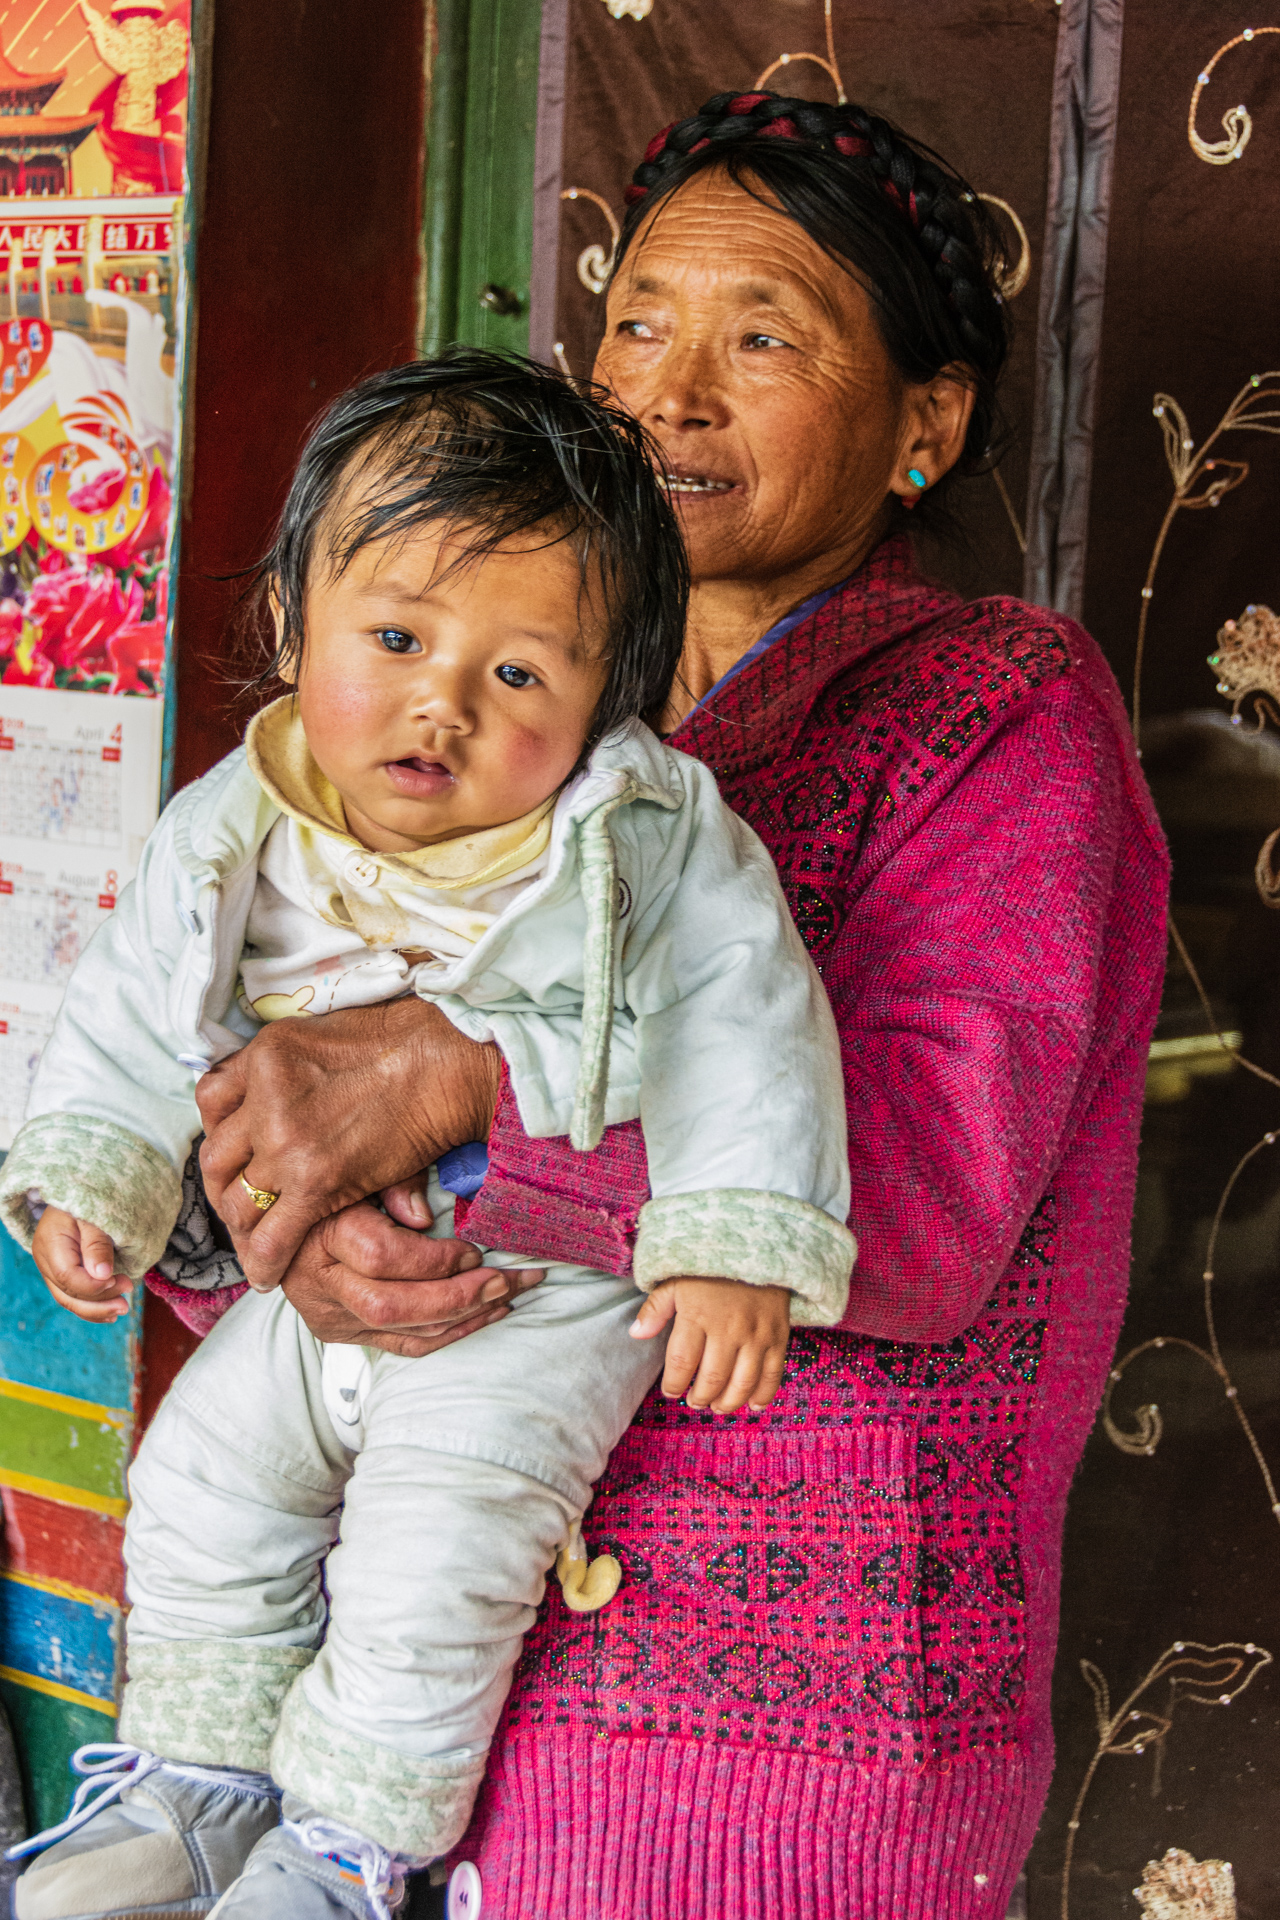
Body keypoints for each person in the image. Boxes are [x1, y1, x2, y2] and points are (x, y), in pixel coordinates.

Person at [0, 352, 855, 1918]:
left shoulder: (649, 837)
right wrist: (97, 1171)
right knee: (198, 1480)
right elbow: (134, 1001)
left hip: (532, 1300)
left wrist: (738, 1237)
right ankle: (196, 1788)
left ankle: (339, 1855)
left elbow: (748, 1019)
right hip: (303, 1304)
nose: (440, 705)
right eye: (393, 637)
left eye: (521, 675)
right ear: (292, 622)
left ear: (612, 698)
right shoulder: (239, 817)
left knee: (440, 1543)